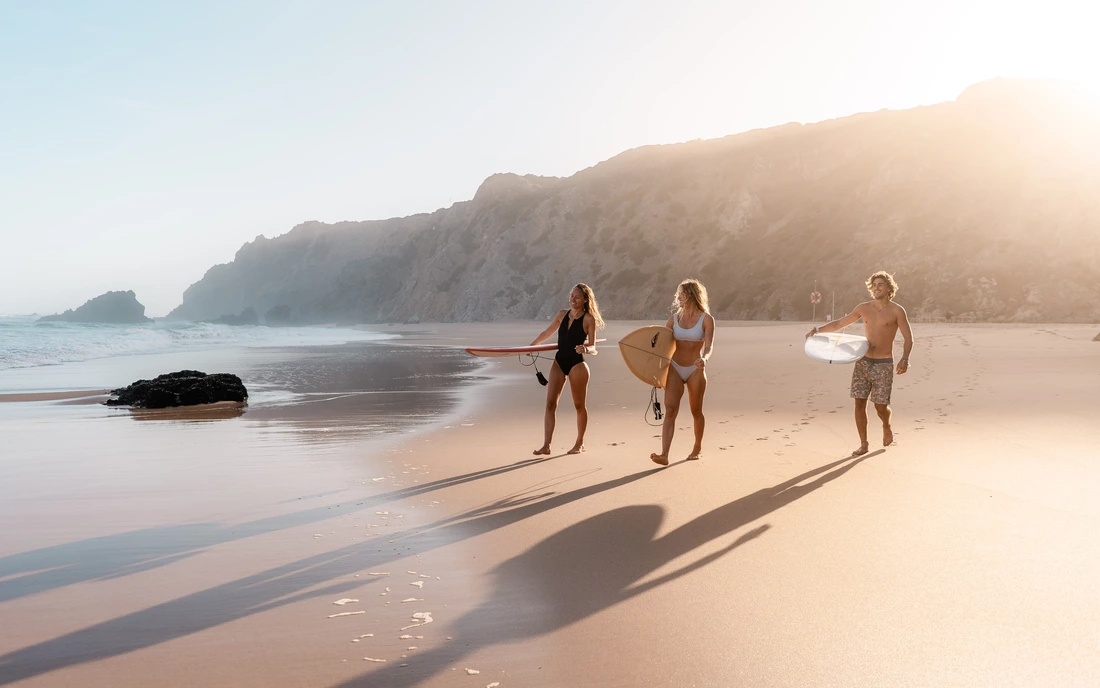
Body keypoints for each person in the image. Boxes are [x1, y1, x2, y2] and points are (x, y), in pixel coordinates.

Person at [806, 271, 914, 456]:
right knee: (859, 403)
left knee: (880, 406)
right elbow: (840, 323)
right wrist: (818, 330)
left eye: (881, 284)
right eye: (874, 285)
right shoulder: (864, 308)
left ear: (889, 288)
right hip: (863, 361)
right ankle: (863, 444)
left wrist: (905, 358)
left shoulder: (897, 310)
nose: (877, 288)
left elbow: (908, 338)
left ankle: (886, 425)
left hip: (884, 363)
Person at [530, 283, 605, 455]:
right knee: (550, 404)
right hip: (559, 363)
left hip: (577, 365)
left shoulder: (588, 319)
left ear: (585, 299)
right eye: (572, 296)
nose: (573, 299)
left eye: (577, 297)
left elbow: (593, 346)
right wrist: (532, 346)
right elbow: (548, 332)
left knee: (579, 406)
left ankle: (579, 443)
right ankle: (546, 445)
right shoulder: (562, 314)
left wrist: (586, 349)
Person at [651, 279, 715, 466]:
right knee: (670, 409)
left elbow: (710, 345)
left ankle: (697, 447)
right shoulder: (674, 319)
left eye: (681, 294)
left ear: (692, 295)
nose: (678, 297)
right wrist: (656, 371)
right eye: (678, 294)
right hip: (675, 368)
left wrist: (704, 359)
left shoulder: (706, 319)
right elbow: (661, 345)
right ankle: (664, 454)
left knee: (696, 411)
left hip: (695, 368)